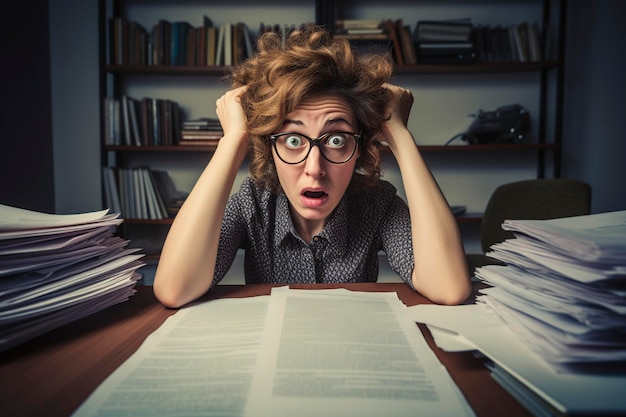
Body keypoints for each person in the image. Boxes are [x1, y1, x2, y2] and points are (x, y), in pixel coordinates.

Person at [153, 24, 471, 308]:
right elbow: (174, 289)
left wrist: (399, 134)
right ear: (270, 146)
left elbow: (449, 287)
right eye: (293, 140)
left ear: (359, 147)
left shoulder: (379, 204)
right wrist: (234, 140)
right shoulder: (252, 204)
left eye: (336, 140)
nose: (314, 168)